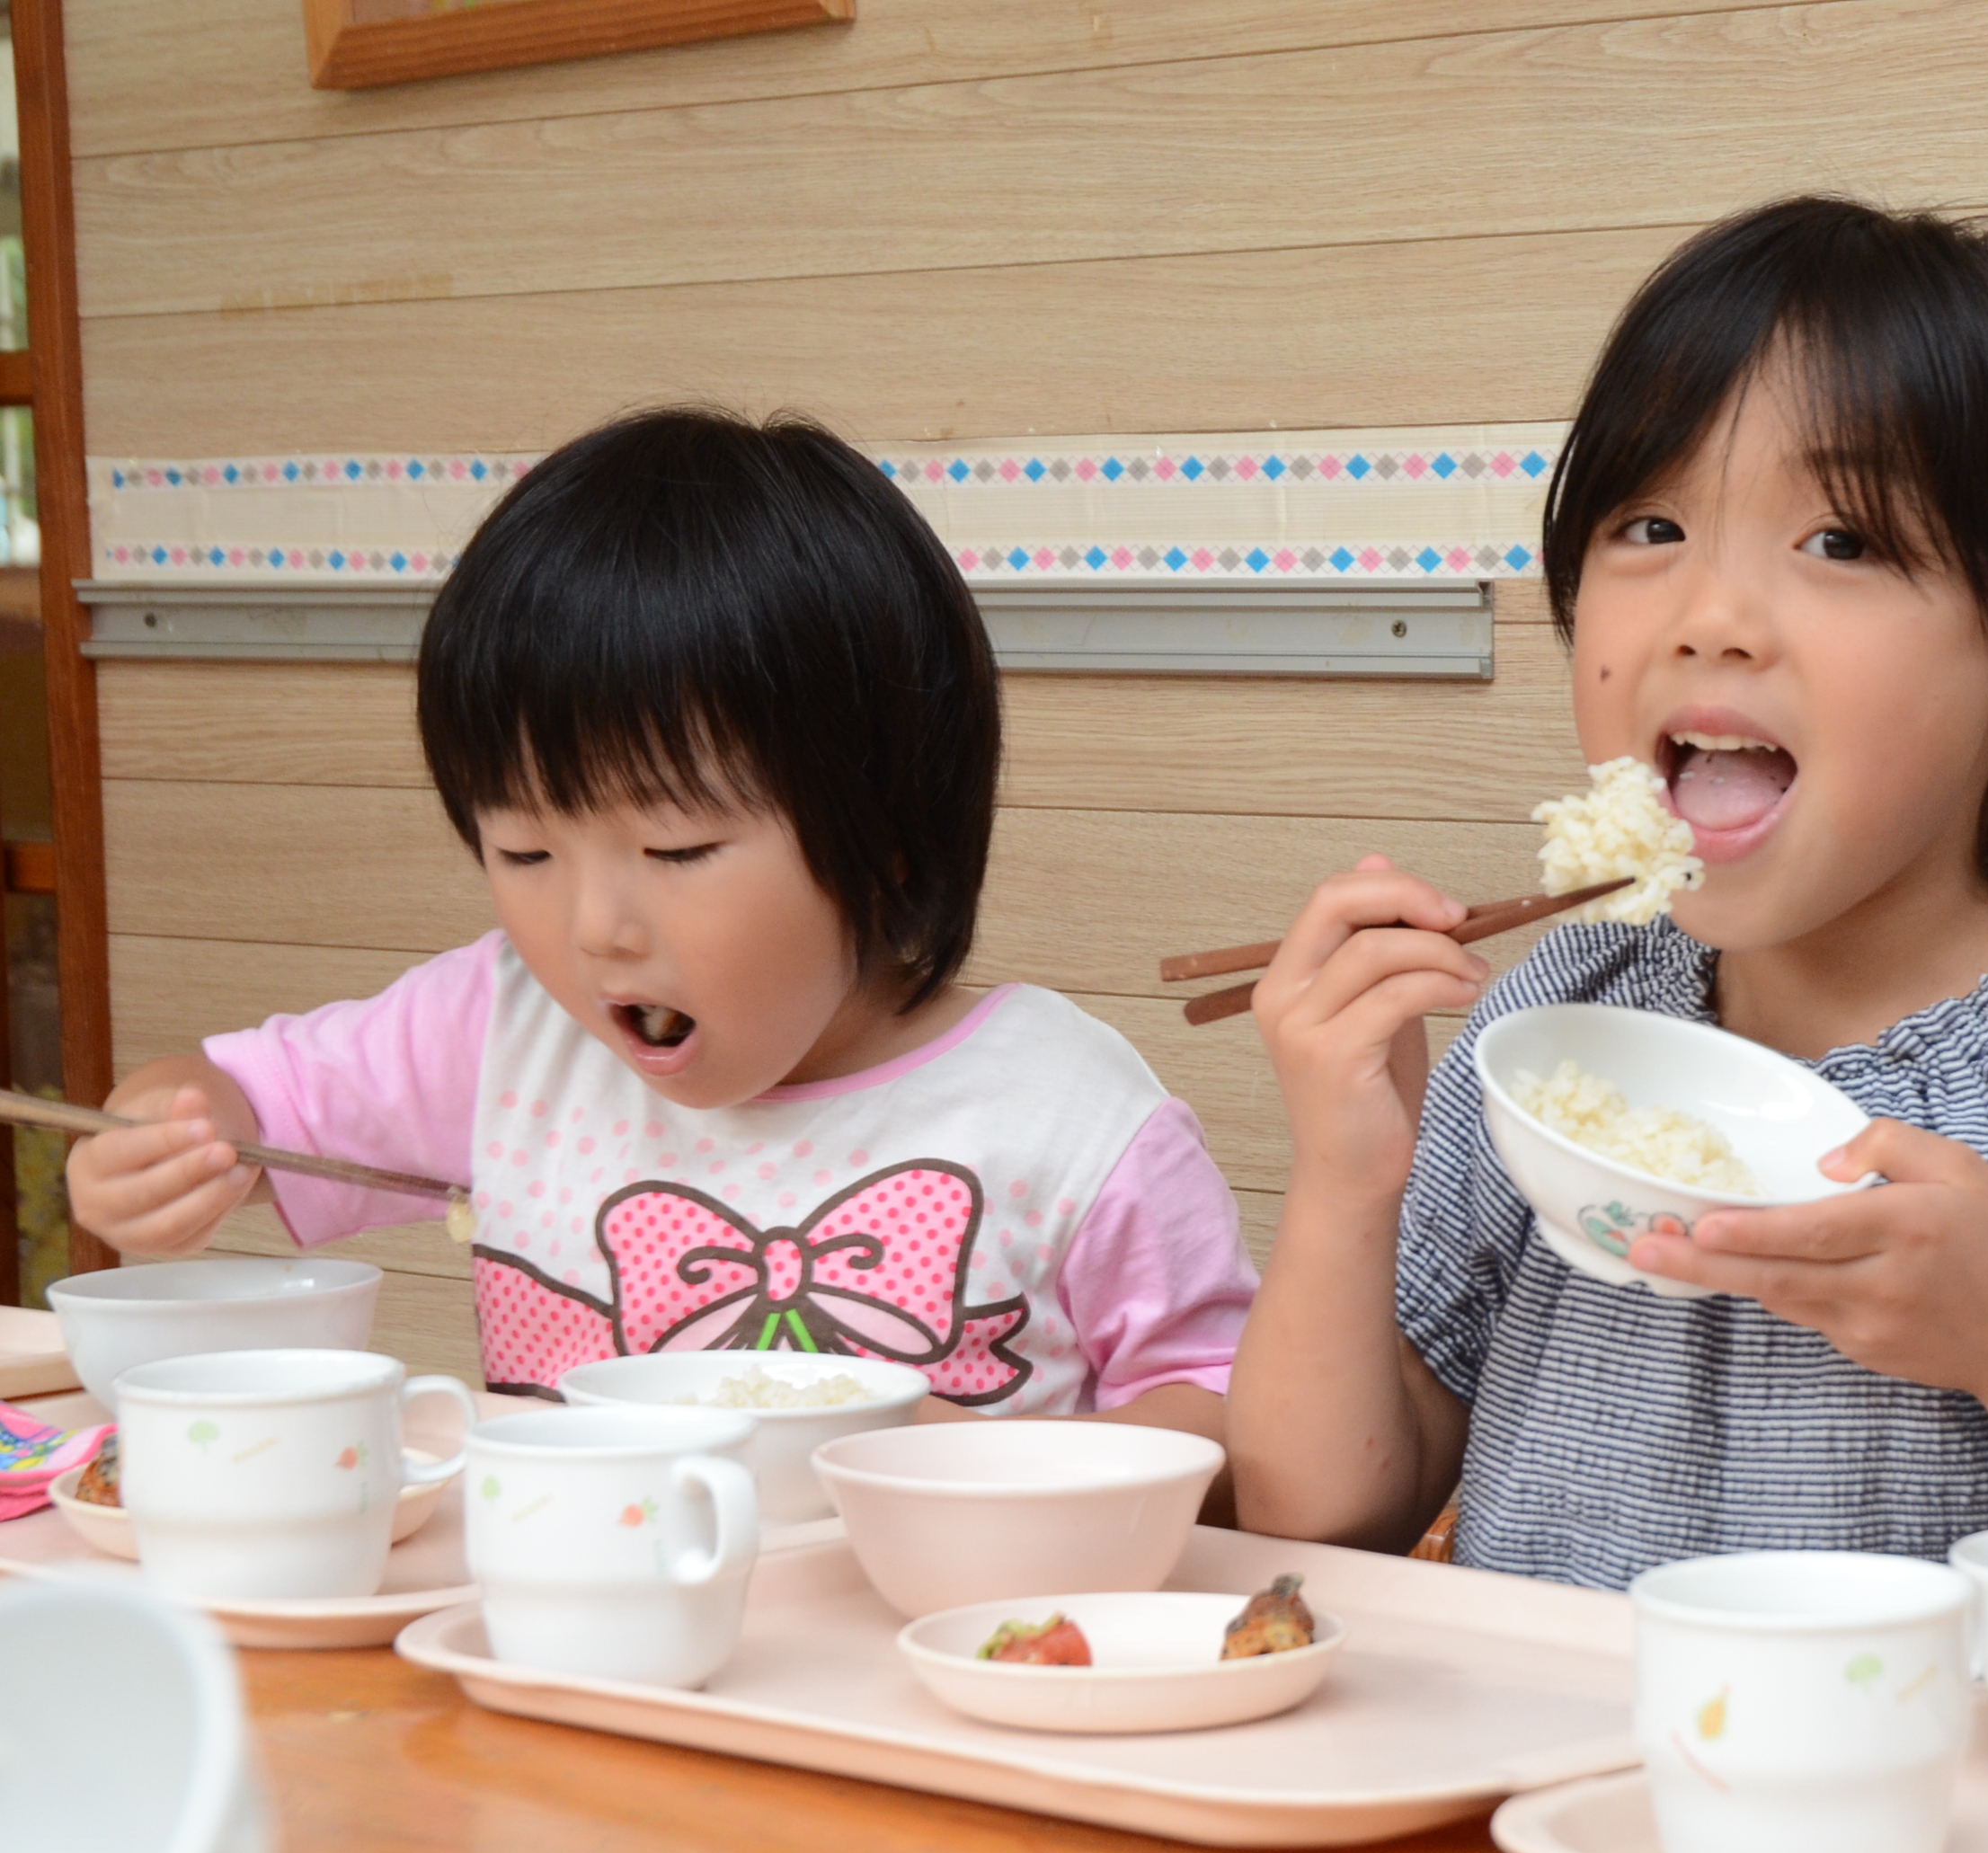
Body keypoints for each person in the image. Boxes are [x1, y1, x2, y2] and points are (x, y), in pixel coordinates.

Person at [1227, 196, 1988, 1586]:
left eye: (1842, 541)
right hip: (1535, 1790)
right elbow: (1324, 1517)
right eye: (1652, 523)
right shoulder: (1560, 1025)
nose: (1710, 615)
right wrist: (1345, 1175)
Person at [68, 409, 1255, 1427]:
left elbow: (1217, 1410)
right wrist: (158, 1141)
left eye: (676, 848)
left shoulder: (1067, 1115)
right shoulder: (503, 1031)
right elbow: (237, 1102)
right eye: (524, 848)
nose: (595, 929)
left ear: (883, 840)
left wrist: (991, 1473)